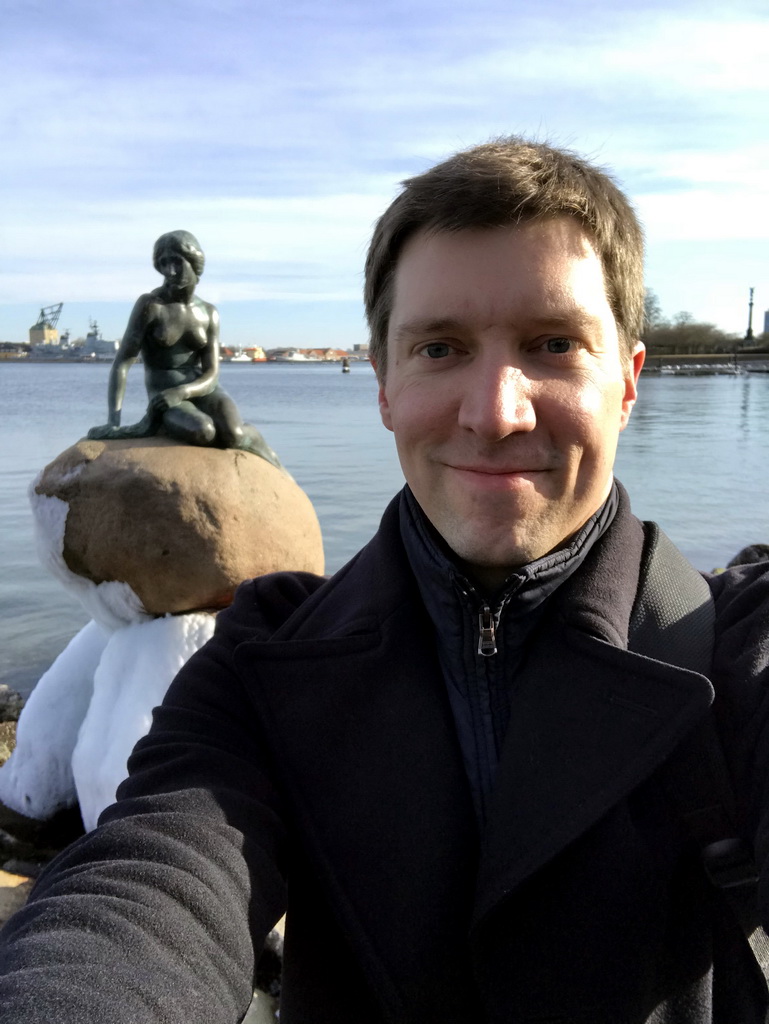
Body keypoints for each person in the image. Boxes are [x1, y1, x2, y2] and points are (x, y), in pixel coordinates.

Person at [2, 137, 769, 1023]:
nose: (493, 414)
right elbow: (149, 886)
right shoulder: (265, 665)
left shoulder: (737, 644)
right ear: (383, 386)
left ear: (627, 382)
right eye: (439, 348)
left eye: (553, 343)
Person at [88, 229, 281, 468]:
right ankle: (162, 423)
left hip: (201, 389)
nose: (170, 271)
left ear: (194, 261)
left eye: (176, 261)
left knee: (234, 435)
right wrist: (113, 421)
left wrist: (183, 392)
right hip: (164, 395)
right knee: (204, 431)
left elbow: (211, 374)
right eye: (163, 264)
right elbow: (123, 363)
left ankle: (269, 457)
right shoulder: (151, 305)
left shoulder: (209, 312)